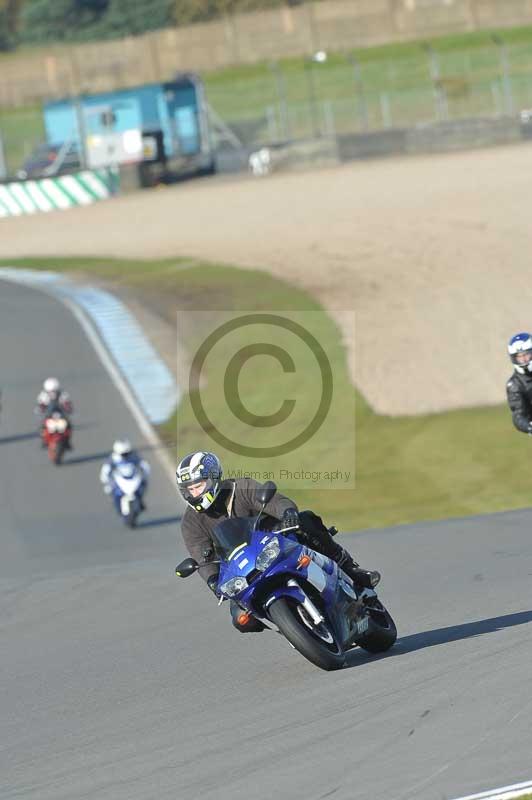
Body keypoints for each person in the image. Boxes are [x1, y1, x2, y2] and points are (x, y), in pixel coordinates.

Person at [176, 451, 380, 633]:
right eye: (190, 489)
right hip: (241, 570)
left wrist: (288, 513)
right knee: (241, 620)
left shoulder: (241, 488)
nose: (195, 493)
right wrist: (212, 579)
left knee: (306, 520)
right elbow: (200, 554)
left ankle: (351, 569)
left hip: (275, 543)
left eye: (199, 485)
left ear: (213, 478)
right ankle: (288, 625)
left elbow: (276, 502)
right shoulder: (190, 522)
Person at [99, 439, 151, 509]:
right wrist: (105, 479)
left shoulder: (134, 456)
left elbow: (143, 464)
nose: (125, 456)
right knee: (110, 489)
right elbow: (106, 469)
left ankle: (140, 500)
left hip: (133, 478)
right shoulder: (114, 458)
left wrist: (145, 474)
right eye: (123, 454)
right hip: (119, 479)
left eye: (126, 453)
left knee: (143, 485)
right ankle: (117, 503)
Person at [506, 333, 532, 433]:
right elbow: (518, 415)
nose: (524, 359)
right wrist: (529, 427)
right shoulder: (515, 385)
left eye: (526, 354)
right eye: (519, 357)